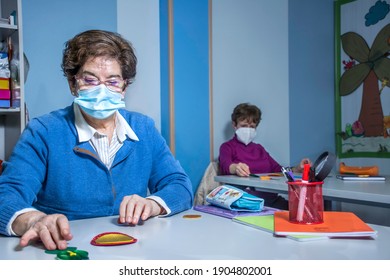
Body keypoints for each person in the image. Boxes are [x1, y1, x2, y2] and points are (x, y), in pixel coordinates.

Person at [0, 30, 193, 250]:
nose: (102, 90)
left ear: (124, 87)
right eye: (90, 80)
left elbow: (179, 185)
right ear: (73, 84)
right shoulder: (43, 131)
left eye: (112, 81)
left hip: (132, 253)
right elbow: (7, 195)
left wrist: (152, 204)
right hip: (66, 252)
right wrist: (33, 220)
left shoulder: (144, 129)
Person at [219, 103, 310, 209]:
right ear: (234, 125)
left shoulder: (259, 149)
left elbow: (279, 170)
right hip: (247, 202)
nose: (248, 130)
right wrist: (236, 167)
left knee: (303, 210)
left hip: (272, 200)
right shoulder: (227, 147)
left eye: (252, 127)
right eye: (243, 126)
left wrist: (297, 168)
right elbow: (225, 166)